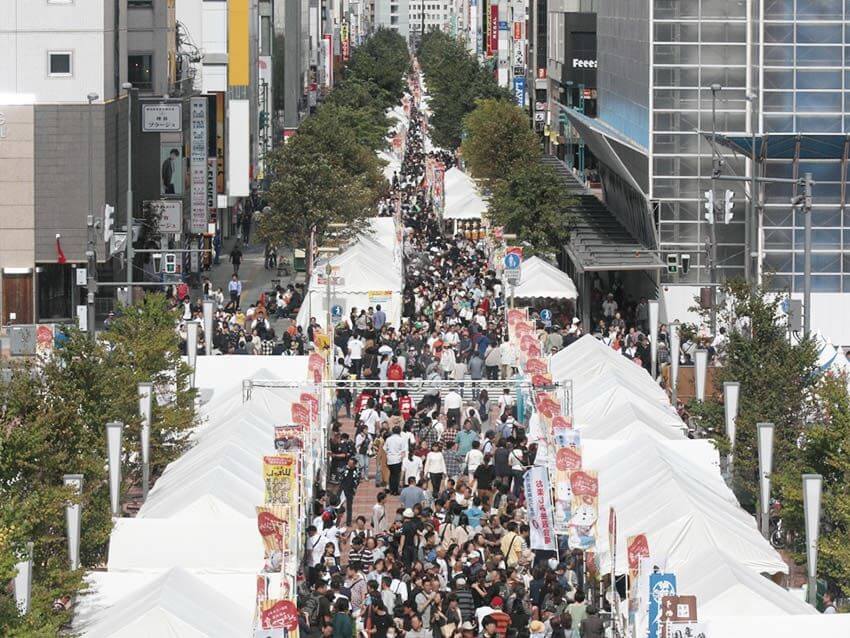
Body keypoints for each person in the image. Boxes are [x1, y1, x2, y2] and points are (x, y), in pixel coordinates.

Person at [385, 426, 406, 495]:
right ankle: (395, 490)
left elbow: (385, 449)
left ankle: (391, 489)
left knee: (392, 475)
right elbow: (403, 452)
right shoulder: (401, 439)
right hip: (397, 459)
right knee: (396, 475)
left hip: (390, 459)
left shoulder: (388, 439)